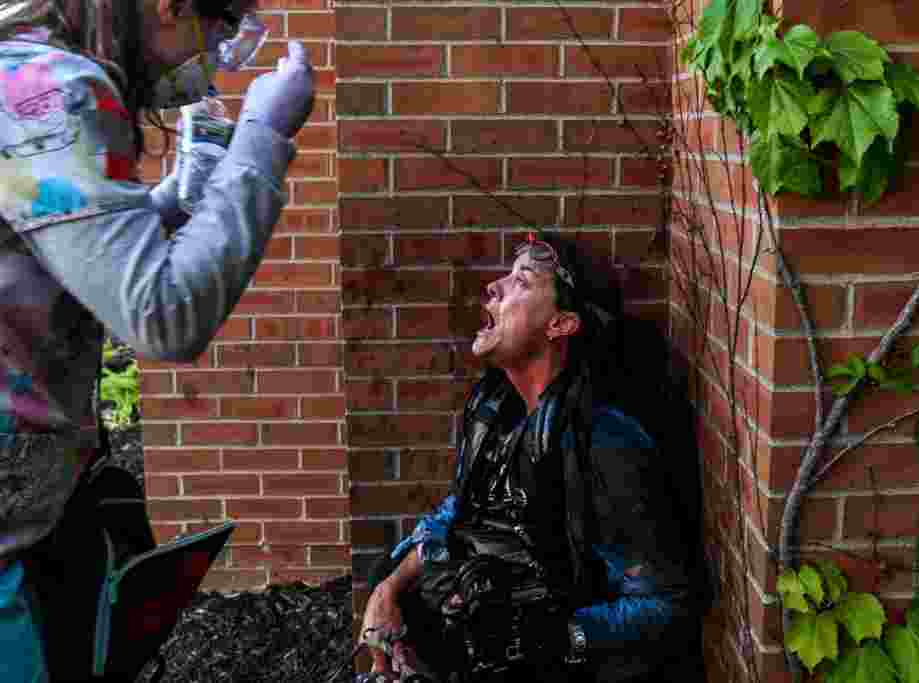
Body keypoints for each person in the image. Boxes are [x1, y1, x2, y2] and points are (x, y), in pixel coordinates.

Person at [0, 0, 314, 680]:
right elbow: (162, 314)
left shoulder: (31, 63)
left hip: (35, 511)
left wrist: (168, 202)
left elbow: (60, 252)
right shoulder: (51, 88)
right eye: (218, 33)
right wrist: (263, 135)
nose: (207, 68)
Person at [354, 233, 705, 683]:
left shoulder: (603, 441)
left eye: (522, 280)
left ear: (560, 324)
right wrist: (388, 590)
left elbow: (667, 603)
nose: (493, 288)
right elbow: (456, 517)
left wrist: (559, 637)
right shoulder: (493, 412)